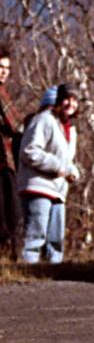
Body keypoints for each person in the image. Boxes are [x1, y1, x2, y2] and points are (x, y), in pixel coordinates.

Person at [18, 83, 81, 264]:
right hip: (38, 186)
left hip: (58, 190)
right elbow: (29, 151)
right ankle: (27, 271)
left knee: (55, 239)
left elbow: (66, 160)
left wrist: (72, 171)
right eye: (67, 99)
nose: (71, 104)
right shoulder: (43, 120)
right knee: (35, 237)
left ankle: (55, 276)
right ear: (58, 101)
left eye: (75, 100)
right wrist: (58, 167)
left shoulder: (69, 128)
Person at [0, 45, 23, 260]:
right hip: (3, 161)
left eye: (7, 68)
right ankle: (14, 258)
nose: (4, 72)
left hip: (5, 159)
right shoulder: (0, 92)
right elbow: (15, 125)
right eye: (0, 67)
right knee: (11, 213)